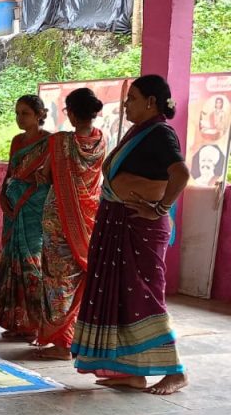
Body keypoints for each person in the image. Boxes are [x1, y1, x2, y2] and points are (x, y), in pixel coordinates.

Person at [71, 75, 190, 395]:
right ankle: (131, 373)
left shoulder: (160, 132)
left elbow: (180, 174)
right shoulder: (141, 131)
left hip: (140, 227)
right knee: (124, 298)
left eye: (132, 98)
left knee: (145, 297)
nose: (126, 104)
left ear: (151, 102)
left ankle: (175, 372)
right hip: (119, 223)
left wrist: (161, 207)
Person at [33, 88, 105, 360]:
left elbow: (45, 175)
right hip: (88, 220)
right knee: (78, 279)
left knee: (57, 280)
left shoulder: (60, 142)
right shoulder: (101, 140)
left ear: (72, 113)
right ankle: (77, 338)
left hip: (59, 221)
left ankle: (63, 344)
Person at [0, 95, 51, 340]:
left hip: (34, 209)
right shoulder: (17, 141)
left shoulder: (49, 142)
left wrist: (28, 186)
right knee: (12, 261)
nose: (19, 118)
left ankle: (35, 325)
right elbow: (10, 172)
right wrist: (1, 196)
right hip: (13, 208)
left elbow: (49, 178)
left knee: (31, 263)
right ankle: (16, 322)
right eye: (17, 113)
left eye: (25, 113)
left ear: (39, 114)